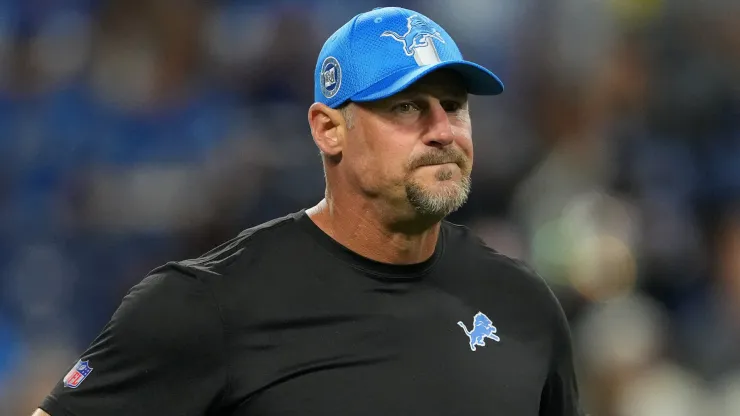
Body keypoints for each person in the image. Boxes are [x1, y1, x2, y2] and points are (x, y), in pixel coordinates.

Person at [34, 7, 583, 416]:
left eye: (455, 107)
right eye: (407, 106)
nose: (442, 130)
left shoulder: (523, 306)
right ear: (328, 129)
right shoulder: (209, 305)